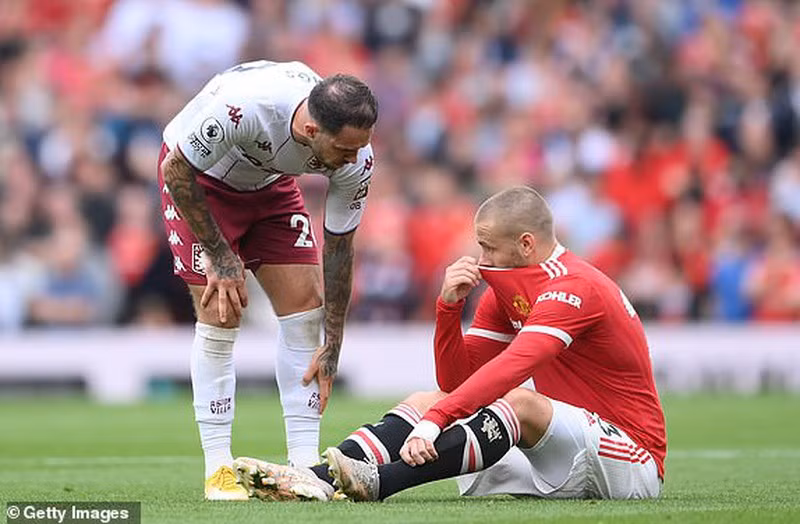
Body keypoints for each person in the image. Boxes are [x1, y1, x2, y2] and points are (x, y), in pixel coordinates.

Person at [232, 186, 666, 502]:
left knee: (516, 401)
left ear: (526, 244)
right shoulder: (506, 289)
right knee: (429, 399)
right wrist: (447, 308)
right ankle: (316, 479)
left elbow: (515, 365)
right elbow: (457, 382)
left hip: (630, 459)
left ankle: (381, 482)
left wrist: (436, 422)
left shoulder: (574, 287)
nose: (481, 259)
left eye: (488, 248)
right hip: (569, 451)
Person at [157, 60, 378, 500]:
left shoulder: (357, 156)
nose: (354, 159)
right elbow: (176, 170)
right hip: (200, 181)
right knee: (221, 311)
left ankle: (305, 466)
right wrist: (221, 255)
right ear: (312, 130)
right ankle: (218, 468)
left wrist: (333, 341)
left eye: (361, 148)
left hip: (271, 185)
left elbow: (339, 247)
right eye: (345, 149)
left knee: (306, 310)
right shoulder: (244, 108)